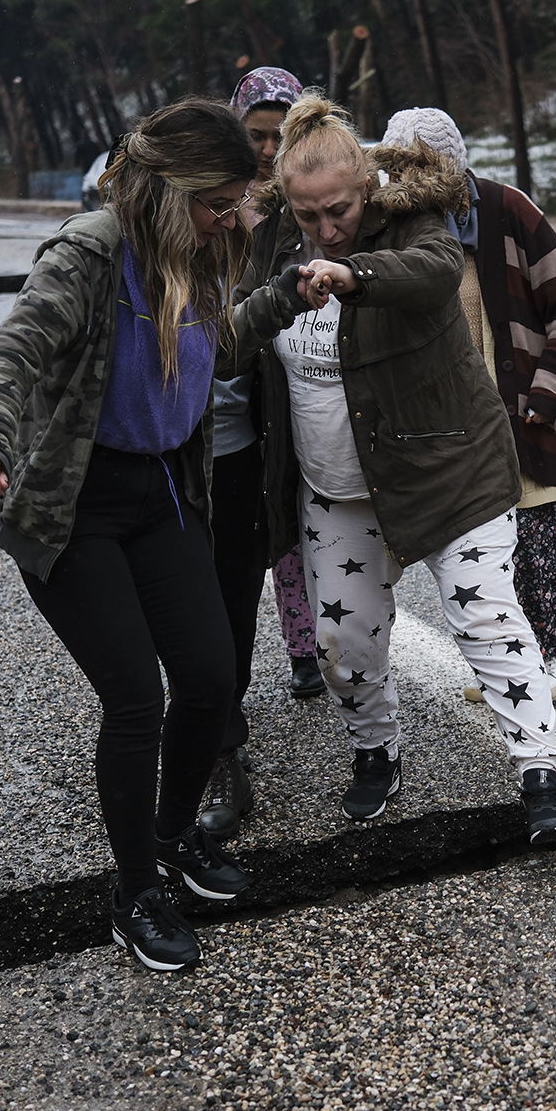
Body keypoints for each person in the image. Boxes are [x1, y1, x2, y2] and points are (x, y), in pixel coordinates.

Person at [0, 97, 283, 973]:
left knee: (210, 680)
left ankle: (171, 840)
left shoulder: (201, 253)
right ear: (171, 191)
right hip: (77, 504)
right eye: (217, 204)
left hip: (162, 491)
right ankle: (134, 892)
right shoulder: (92, 253)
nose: (230, 221)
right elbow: (12, 353)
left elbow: (216, 347)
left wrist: (285, 296)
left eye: (236, 205)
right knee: (136, 698)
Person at [243, 93, 556, 842]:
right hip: (338, 489)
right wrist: (274, 298)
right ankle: (376, 750)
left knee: (487, 617)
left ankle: (541, 773)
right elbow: (232, 332)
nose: (327, 228)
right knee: (345, 646)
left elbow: (433, 271)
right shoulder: (271, 245)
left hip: (448, 470)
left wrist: (354, 273)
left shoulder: (412, 221)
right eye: (308, 215)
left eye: (340, 209)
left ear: (366, 186)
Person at [376, 109, 556, 704]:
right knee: (482, 552)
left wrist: (547, 393)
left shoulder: (508, 211)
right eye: (398, 170)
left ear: (452, 168)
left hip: (524, 415)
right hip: (452, 428)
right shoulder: (394, 224)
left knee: (538, 540)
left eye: (422, 168)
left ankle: (548, 654)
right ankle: (505, 658)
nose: (409, 183)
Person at [230, 65, 325, 706]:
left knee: (300, 511)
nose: (267, 150)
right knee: (260, 519)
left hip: (298, 377)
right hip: (236, 382)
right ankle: (291, 651)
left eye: (279, 137)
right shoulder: (217, 201)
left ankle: (317, 645)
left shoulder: (307, 198)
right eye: (256, 136)